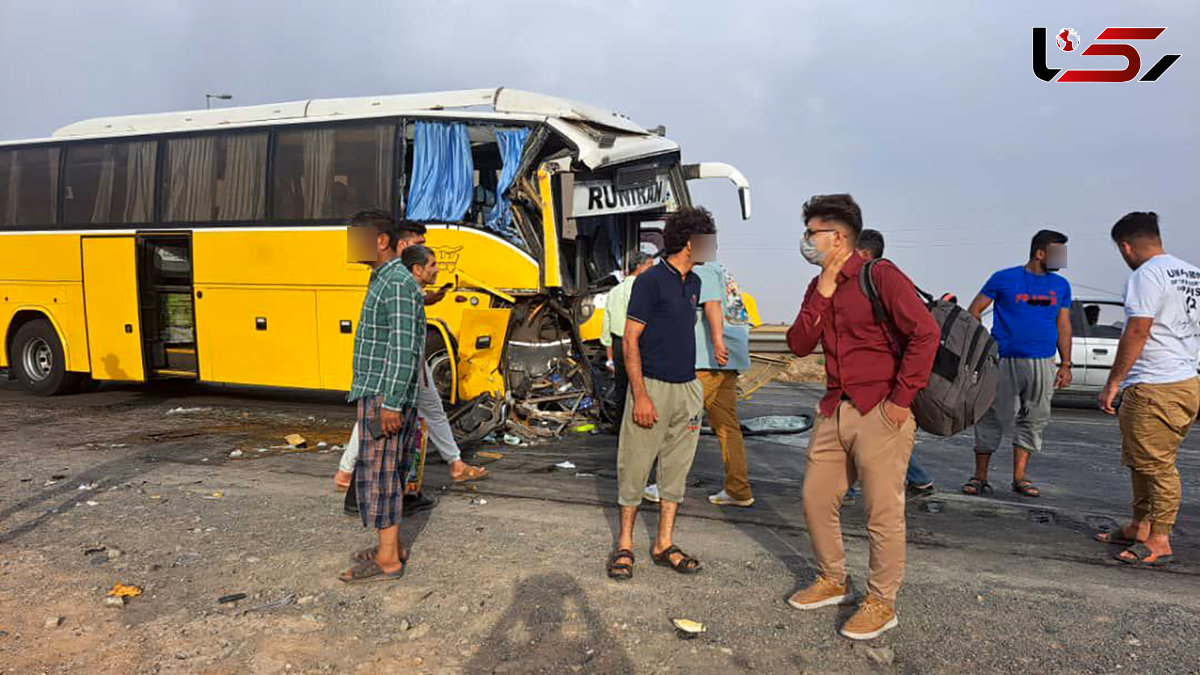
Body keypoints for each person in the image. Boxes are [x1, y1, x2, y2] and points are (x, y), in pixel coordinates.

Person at [785, 194, 939, 641]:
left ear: (837, 236)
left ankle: (881, 601)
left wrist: (900, 401)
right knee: (816, 497)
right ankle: (833, 579)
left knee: (882, 512)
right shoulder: (819, 286)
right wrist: (825, 291)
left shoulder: (880, 275)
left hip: (880, 410)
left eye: (812, 233)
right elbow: (797, 344)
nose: (806, 241)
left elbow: (925, 334)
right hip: (835, 408)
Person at [334, 222, 488, 514]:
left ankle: (452, 464)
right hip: (397, 368)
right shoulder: (394, 279)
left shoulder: (394, 279)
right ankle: (352, 480)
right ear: (401, 246)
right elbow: (401, 344)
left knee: (429, 412)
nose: (435, 267)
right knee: (379, 429)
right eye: (418, 242)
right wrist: (392, 402)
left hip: (405, 366)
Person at [605, 207, 714, 581]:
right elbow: (630, 340)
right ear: (689, 241)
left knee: (676, 471)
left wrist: (695, 386)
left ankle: (664, 543)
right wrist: (641, 396)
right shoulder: (649, 282)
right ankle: (625, 544)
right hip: (651, 386)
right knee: (634, 466)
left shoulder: (695, 283)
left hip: (687, 390)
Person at [1094, 212, 1200, 567]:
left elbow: (1137, 330)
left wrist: (1113, 382)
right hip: (1183, 380)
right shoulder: (1191, 273)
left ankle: (1160, 539)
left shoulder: (1145, 275)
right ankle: (1139, 526)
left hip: (1156, 383)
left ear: (1126, 246)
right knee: (1140, 460)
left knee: (1157, 466)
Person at [338, 211, 427, 583]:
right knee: (385, 474)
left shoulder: (395, 283)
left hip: (383, 396)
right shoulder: (385, 280)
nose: (350, 244)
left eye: (357, 236)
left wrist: (391, 402)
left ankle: (388, 559)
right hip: (378, 392)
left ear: (382, 241)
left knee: (382, 476)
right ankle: (391, 547)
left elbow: (404, 347)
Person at [963, 230, 1073, 498]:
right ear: (1039, 253)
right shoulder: (1003, 278)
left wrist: (1066, 364)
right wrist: (984, 345)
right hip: (1004, 360)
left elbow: (1063, 324)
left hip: (1042, 362)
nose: (1062, 259)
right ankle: (979, 477)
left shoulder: (1060, 286)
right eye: (1057, 252)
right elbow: (974, 310)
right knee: (991, 416)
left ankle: (1020, 478)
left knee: (1033, 418)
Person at [844, 228, 935, 501]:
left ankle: (845, 487)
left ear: (863, 253)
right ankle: (918, 479)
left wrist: (903, 392)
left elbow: (925, 333)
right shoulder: (871, 280)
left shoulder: (881, 278)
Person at [695, 259, 756, 507]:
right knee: (727, 428)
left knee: (678, 423)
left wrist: (717, 342)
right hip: (728, 360)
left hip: (707, 358)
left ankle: (666, 485)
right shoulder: (723, 271)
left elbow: (712, 305)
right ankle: (738, 489)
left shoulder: (702, 270)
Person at [600, 252, 655, 424]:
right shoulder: (643, 289)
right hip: (638, 342)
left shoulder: (614, 292)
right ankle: (639, 424)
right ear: (640, 267)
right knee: (641, 385)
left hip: (618, 343)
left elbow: (606, 328)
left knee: (621, 386)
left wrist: (609, 358)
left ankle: (619, 426)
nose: (653, 270)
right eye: (650, 266)